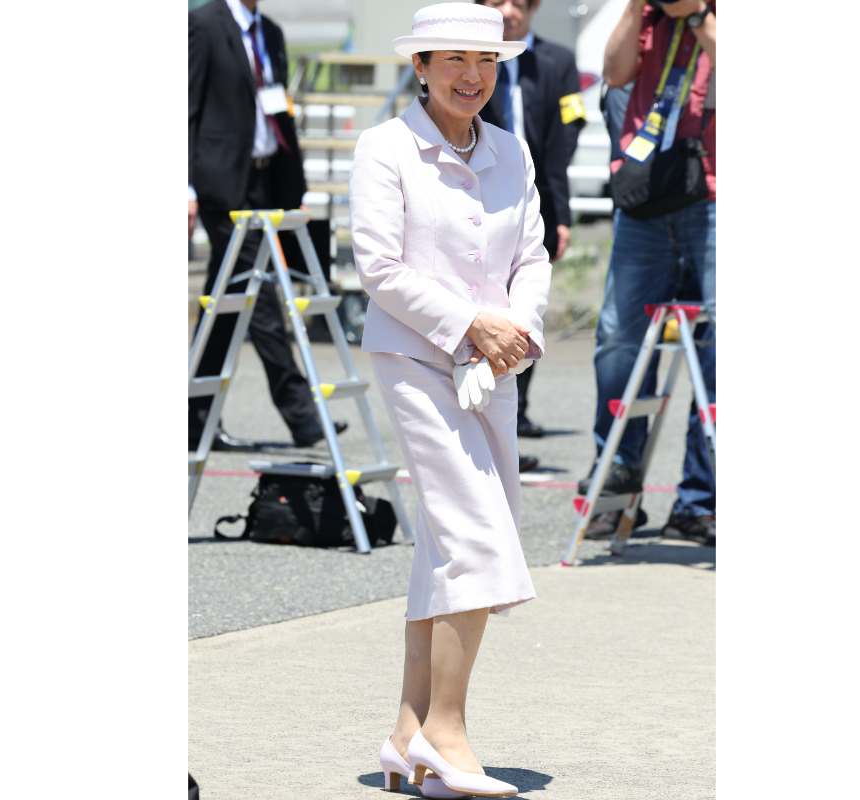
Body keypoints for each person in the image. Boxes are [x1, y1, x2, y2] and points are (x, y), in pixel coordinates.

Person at [352, 5, 550, 798]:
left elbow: (533, 255)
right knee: (473, 533)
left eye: (489, 60)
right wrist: (470, 322)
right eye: (457, 59)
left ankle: (407, 732)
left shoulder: (511, 149)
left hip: (493, 364)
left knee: (445, 544)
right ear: (421, 65)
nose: (475, 75)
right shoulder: (384, 148)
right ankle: (447, 731)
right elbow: (379, 268)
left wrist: (514, 332)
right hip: (416, 358)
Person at [579, 0, 716, 545]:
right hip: (644, 195)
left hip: (713, 193)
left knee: (718, 350)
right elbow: (614, 73)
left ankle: (698, 502)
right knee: (618, 341)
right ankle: (615, 487)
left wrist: (700, 14)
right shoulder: (646, 16)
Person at [187, 0, 347, 451]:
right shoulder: (201, 24)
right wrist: (185, 187)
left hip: (265, 179)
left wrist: (293, 187)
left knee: (225, 301)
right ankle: (301, 414)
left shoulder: (270, 32)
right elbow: (185, 108)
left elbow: (278, 110)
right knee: (258, 294)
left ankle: (195, 420)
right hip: (221, 181)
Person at [475, 0, 585, 442]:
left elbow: (566, 135)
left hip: (536, 196)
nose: (509, 12)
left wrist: (561, 212)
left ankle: (515, 409)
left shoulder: (557, 61)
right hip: (476, 190)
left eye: (519, 3)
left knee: (525, 298)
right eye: (497, 2)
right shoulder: (464, 64)